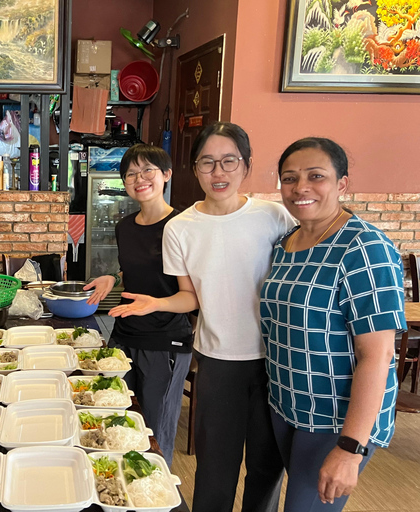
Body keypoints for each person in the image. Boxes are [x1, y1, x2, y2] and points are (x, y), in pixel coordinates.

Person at [111, 122, 295, 512]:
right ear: (195, 170)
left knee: (266, 467)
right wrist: (155, 303)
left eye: (228, 161)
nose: (218, 172)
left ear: (245, 166)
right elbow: (188, 297)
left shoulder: (276, 218)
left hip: (275, 361)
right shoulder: (180, 228)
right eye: (208, 162)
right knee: (215, 468)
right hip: (215, 360)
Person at [261, 138, 405, 510]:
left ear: (341, 183)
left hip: (334, 420)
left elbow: (378, 355)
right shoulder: (285, 243)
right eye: (290, 178)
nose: (301, 188)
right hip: (287, 406)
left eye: (316, 176)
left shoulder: (364, 247)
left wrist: (351, 448)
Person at [84, 144, 192, 467]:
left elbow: (191, 296)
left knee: (152, 435)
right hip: (124, 337)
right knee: (114, 418)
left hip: (164, 343)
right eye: (131, 173)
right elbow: (136, 270)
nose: (139, 178)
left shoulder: (182, 226)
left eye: (148, 170)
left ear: (166, 175)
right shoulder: (124, 227)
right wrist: (112, 279)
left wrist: (154, 304)